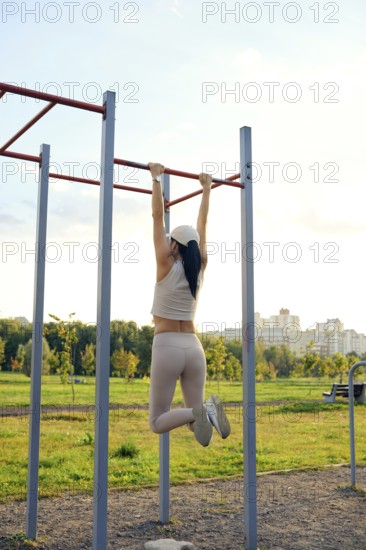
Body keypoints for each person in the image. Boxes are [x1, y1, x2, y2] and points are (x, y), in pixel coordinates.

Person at [147, 162, 230, 447]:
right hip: (194, 349)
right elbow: (202, 225)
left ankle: (205, 409)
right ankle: (204, 411)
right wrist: (207, 190)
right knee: (196, 424)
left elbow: (157, 216)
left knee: (157, 421)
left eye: (170, 240)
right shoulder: (200, 267)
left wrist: (156, 178)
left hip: (167, 344)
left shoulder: (165, 263)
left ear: (174, 246)